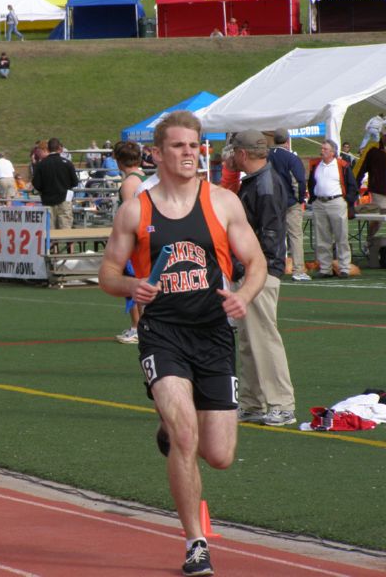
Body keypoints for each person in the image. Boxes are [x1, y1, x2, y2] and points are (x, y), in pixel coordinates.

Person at [98, 110, 266, 577]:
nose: (189, 153)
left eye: (194, 145)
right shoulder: (137, 209)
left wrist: (244, 296)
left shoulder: (223, 203)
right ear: (157, 153)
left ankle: (172, 434)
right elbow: (107, 274)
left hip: (213, 334)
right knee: (187, 436)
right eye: (178, 146)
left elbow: (256, 262)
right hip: (163, 334)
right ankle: (196, 542)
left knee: (220, 455)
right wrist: (132, 288)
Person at [228, 130, 296, 427]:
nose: (229, 156)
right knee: (249, 339)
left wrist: (253, 269)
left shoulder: (264, 185)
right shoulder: (259, 181)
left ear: (243, 153)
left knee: (264, 338)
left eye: (233, 151)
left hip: (259, 271)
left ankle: (281, 403)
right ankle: (253, 401)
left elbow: (268, 235)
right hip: (254, 269)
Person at [112, 140, 157, 345]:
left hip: (134, 238)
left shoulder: (130, 182)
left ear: (120, 160)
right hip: (143, 235)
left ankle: (137, 327)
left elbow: (131, 213)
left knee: (132, 281)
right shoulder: (142, 177)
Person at [307, 140, 358, 278]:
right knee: (322, 237)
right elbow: (311, 182)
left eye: (325, 149)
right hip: (320, 202)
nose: (322, 150)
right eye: (322, 148)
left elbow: (352, 185)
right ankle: (325, 268)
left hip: (336, 201)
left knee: (341, 235)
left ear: (332, 152)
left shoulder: (342, 165)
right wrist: (313, 198)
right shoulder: (316, 164)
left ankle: (344, 267)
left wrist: (347, 200)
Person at [268, 128, 309, 281]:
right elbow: (298, 180)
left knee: (274, 236)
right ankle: (298, 270)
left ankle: (274, 268)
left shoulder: (266, 157)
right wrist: (299, 199)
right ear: (287, 141)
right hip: (290, 202)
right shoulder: (291, 158)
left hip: (272, 202)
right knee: (295, 236)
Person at [354, 128, 386, 250]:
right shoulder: (372, 149)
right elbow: (360, 167)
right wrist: (354, 185)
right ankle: (370, 240)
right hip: (379, 190)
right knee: (379, 218)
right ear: (381, 135)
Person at [33, 138, 78, 229]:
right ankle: (69, 244)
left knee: (50, 233)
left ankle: (54, 244)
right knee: (66, 231)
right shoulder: (67, 163)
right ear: (59, 148)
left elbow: (36, 184)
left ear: (48, 149)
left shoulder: (41, 165)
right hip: (64, 199)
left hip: (47, 200)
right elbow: (75, 182)